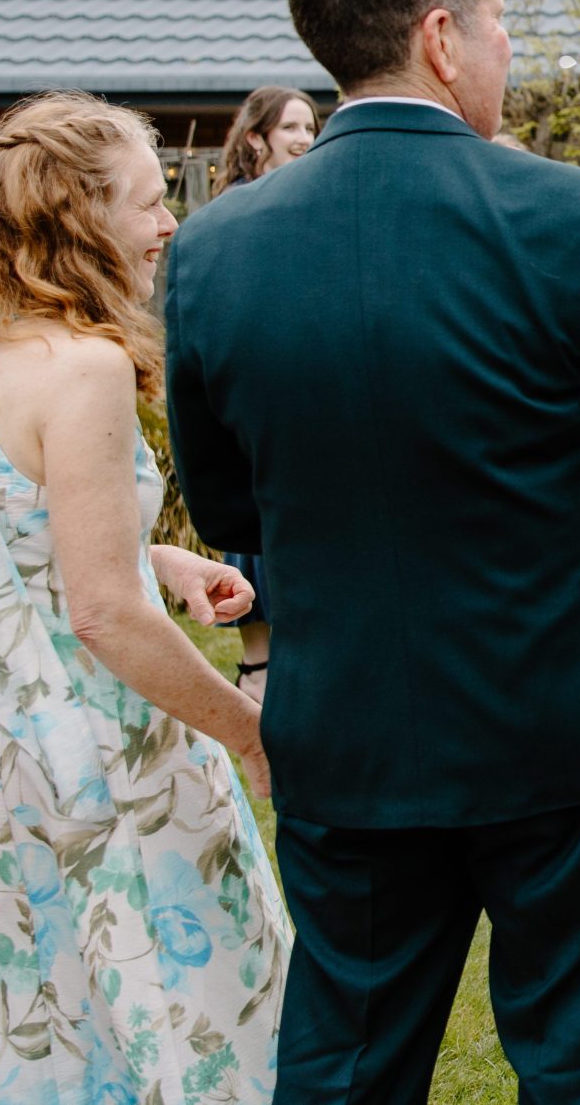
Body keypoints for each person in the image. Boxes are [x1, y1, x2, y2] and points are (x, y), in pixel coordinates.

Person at [164, 0, 580, 1104]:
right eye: (498, 25)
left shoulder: (215, 248)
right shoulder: (571, 217)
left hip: (348, 732)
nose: (506, 51)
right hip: (567, 732)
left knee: (346, 1066)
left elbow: (230, 504)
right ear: (441, 34)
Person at [0, 93, 289, 1102]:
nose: (169, 223)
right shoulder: (80, 366)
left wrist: (157, 562)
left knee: (25, 1025)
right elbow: (101, 617)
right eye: (149, 201)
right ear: (80, 215)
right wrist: (247, 732)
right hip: (94, 748)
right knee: (182, 1008)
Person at [208, 83, 323, 703]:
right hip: (255, 382)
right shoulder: (236, 211)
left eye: (310, 127)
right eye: (291, 129)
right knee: (255, 518)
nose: (305, 139)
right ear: (257, 138)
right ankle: (258, 666)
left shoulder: (312, 202)